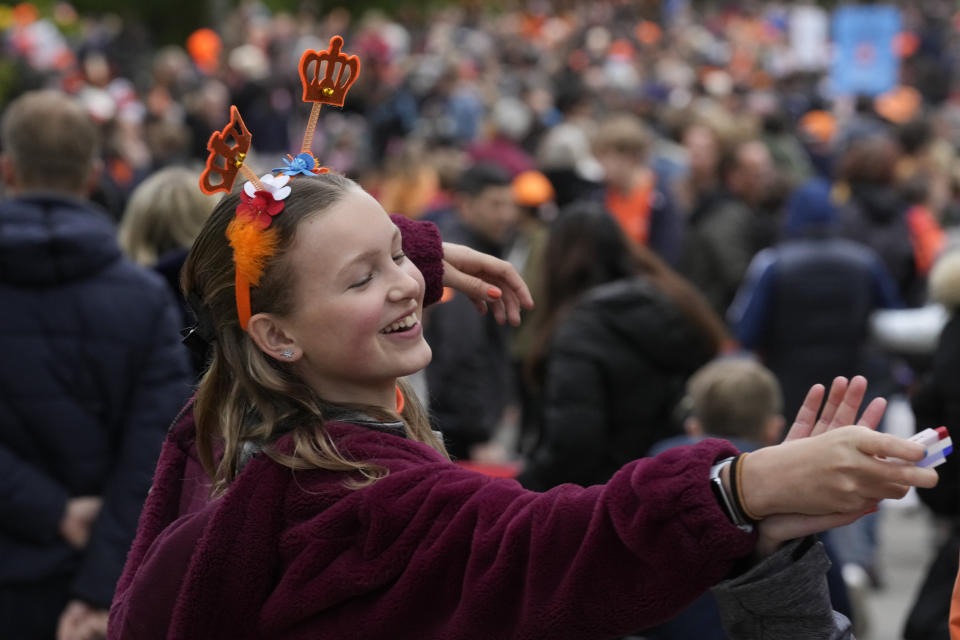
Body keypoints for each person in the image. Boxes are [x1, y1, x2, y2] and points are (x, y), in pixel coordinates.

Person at [107, 166, 937, 640]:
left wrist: (407, 258)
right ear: (278, 337)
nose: (405, 283)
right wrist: (737, 489)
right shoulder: (365, 501)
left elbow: (254, 263)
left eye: (399, 252)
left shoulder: (222, 430)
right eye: (364, 276)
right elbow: (543, 539)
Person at [0, 90, 192, 639]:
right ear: (91, 177)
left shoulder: (142, 296)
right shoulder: (144, 298)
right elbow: (158, 451)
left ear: (7, 170)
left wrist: (50, 509)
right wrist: (102, 585)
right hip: (105, 581)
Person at [517, 202, 729, 490]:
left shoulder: (579, 330)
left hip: (608, 498)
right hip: (679, 484)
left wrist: (520, 489)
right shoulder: (676, 303)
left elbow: (573, 444)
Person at [423, 163, 519, 459]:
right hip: (461, 431)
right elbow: (461, 349)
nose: (506, 215)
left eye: (509, 205)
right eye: (495, 204)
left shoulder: (486, 247)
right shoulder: (461, 262)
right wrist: (477, 431)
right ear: (465, 204)